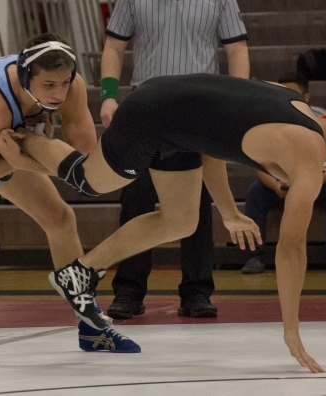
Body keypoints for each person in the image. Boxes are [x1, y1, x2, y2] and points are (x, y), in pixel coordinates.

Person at [0, 73, 326, 373]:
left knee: (181, 220)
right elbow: (291, 247)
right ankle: (23, 137)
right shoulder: (310, 154)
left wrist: (229, 212)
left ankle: (80, 273)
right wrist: (290, 327)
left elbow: (211, 138)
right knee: (90, 180)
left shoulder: (291, 101)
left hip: (176, 117)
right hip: (154, 115)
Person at [0, 32, 140, 369]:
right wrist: (22, 160)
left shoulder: (71, 87)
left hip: (6, 138)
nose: (58, 93)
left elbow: (82, 157)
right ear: (25, 77)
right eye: (48, 84)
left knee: (61, 218)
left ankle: (89, 323)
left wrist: (25, 154)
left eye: (64, 83)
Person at [99, 0, 250, 319]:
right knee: (135, 197)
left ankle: (197, 291)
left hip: (201, 103)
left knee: (197, 201)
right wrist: (109, 95)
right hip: (146, 104)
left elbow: (236, 49)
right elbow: (114, 45)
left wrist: (237, 101)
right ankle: (128, 289)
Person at [241, 72, 326, 275]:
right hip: (283, 182)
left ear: (306, 97)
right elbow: (259, 165)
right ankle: (254, 256)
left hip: (319, 181)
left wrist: (306, 186)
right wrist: (276, 185)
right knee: (256, 191)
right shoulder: (268, 120)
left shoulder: (323, 120)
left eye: (292, 93)